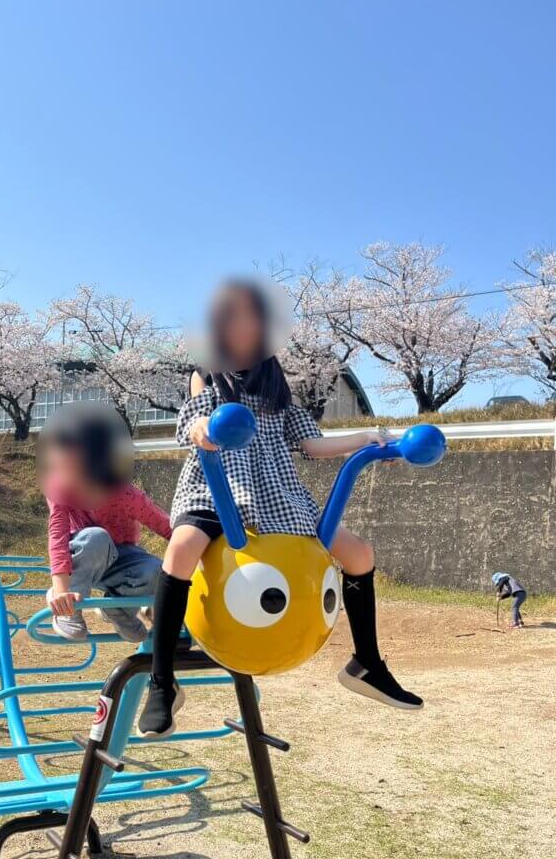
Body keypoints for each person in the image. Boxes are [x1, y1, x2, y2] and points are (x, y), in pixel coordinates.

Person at [138, 278, 424, 738]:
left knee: (359, 553)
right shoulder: (206, 375)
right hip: (218, 489)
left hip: (276, 497)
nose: (244, 327)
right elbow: (193, 422)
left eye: (254, 318)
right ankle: (162, 680)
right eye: (234, 318)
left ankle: (367, 664)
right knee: (182, 548)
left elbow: (312, 444)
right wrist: (204, 431)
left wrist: (370, 438)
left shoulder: (277, 390)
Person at [39, 402, 171, 641]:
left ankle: (118, 609)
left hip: (122, 559)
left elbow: (167, 527)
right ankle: (68, 607)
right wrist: (61, 590)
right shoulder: (60, 487)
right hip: (85, 556)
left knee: (160, 572)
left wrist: (202, 544)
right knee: (97, 537)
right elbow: (58, 536)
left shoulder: (127, 495)